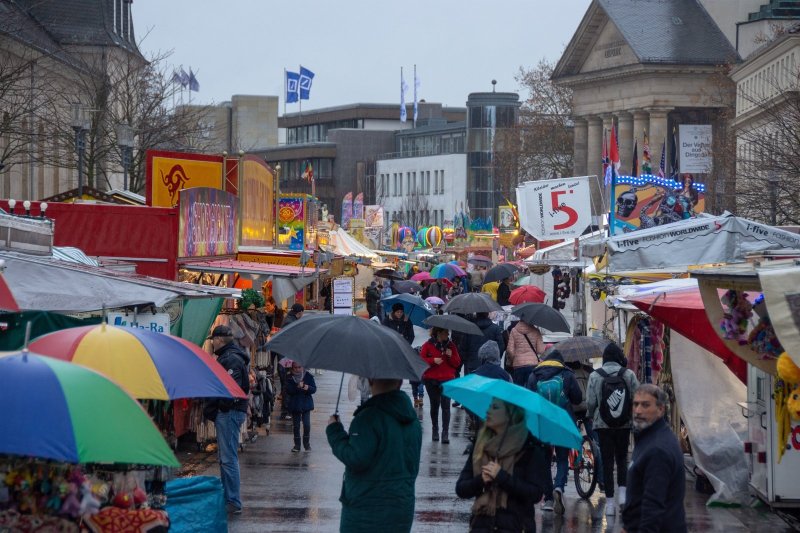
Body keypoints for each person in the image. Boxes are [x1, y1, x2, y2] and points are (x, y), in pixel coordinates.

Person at [326, 378, 422, 532]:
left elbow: (355, 458)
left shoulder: (368, 417)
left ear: (370, 380)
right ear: (400, 382)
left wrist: (334, 431)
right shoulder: (413, 422)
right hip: (402, 508)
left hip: (366, 509)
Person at [456, 398, 549, 533]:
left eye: (495, 407)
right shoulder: (481, 446)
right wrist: (481, 480)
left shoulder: (529, 450)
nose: (488, 411)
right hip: (481, 527)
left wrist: (502, 477)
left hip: (517, 526)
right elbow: (461, 489)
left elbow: (535, 494)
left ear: (510, 414)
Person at [621, 384, 687, 533]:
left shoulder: (658, 450)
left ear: (660, 409)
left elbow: (653, 506)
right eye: (636, 404)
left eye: (645, 405)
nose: (638, 411)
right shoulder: (648, 437)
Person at [526, 349, 583, 515]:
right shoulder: (567, 374)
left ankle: (549, 499)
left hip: (543, 422)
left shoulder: (534, 375)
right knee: (563, 458)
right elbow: (577, 398)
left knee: (544, 460)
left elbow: (529, 400)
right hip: (562, 421)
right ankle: (559, 487)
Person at [586, 342, 640, 516]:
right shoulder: (629, 374)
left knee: (607, 461)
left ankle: (609, 504)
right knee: (622, 458)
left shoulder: (595, 376)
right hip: (624, 424)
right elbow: (637, 397)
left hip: (603, 425)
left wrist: (591, 414)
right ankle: (623, 496)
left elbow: (591, 403)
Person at [207, 325, 250, 514]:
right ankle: (229, 498)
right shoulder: (229, 356)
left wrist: (221, 408)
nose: (211, 343)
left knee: (228, 458)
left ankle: (233, 500)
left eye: (212, 340)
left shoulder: (230, 358)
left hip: (230, 412)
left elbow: (233, 388)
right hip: (229, 412)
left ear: (219, 340)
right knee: (225, 458)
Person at [419, 327, 462, 444]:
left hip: (447, 379)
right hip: (431, 380)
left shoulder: (451, 345)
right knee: (434, 405)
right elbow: (421, 360)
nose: (447, 335)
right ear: (438, 333)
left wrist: (450, 355)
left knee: (446, 407)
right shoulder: (427, 345)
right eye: (445, 333)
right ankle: (435, 430)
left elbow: (457, 363)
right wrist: (433, 360)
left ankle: (445, 433)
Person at [284, 361, 317, 452]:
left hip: (306, 404)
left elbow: (314, 389)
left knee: (307, 425)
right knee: (296, 426)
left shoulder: (308, 376)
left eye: (299, 367)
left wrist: (307, 387)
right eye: (295, 367)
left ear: (303, 367)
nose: (297, 369)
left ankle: (306, 444)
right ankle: (297, 445)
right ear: (292, 368)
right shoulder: (289, 377)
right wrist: (297, 387)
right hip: (295, 404)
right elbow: (288, 390)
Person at [505, 320, 547, 387]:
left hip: (518, 365)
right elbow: (540, 350)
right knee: (531, 389)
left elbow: (510, 350)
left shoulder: (514, 330)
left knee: (519, 389)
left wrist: (514, 360)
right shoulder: (536, 331)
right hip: (533, 364)